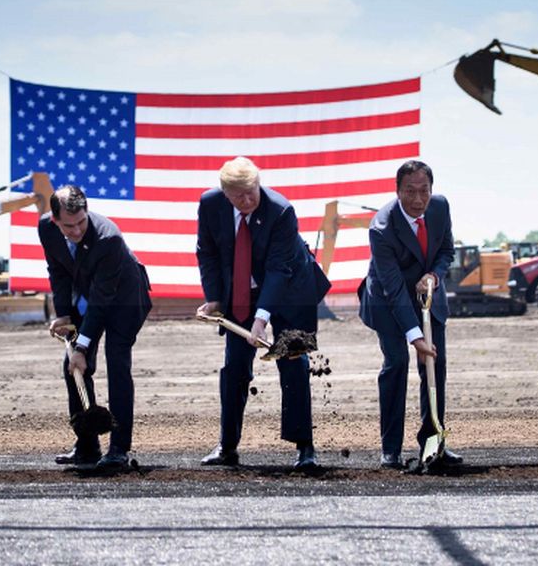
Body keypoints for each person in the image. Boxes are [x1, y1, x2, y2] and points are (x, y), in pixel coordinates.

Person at [195, 156, 331, 470]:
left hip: (292, 286)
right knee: (235, 366)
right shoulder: (210, 205)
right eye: (239, 195)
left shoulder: (281, 210)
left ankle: (305, 448)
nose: (248, 199)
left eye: (252, 191)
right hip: (242, 288)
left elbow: (279, 269)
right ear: (225, 193)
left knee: (293, 360)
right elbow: (207, 251)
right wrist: (215, 298)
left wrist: (261, 318)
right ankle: (227, 447)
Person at [40, 184, 152, 473]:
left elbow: (102, 301)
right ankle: (87, 444)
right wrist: (63, 314)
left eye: (81, 223)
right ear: (55, 220)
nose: (76, 231)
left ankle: (118, 448)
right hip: (88, 295)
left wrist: (82, 346)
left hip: (125, 300)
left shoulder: (109, 239)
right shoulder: (47, 229)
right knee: (73, 367)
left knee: (116, 364)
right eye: (69, 225)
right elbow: (59, 271)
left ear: (87, 212)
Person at [359, 160, 459, 469]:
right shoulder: (382, 227)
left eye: (424, 191)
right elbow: (392, 288)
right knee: (398, 364)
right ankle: (391, 449)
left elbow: (446, 251)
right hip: (389, 303)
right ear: (397, 190)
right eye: (410, 191)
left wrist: (434, 275)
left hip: (427, 295)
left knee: (433, 366)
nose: (418, 200)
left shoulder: (440, 207)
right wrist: (414, 337)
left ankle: (432, 444)